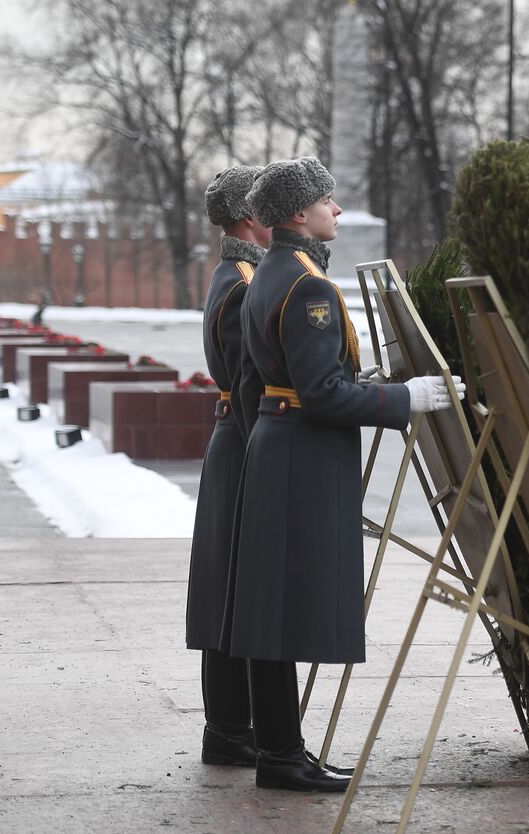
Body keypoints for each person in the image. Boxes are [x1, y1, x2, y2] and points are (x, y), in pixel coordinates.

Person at [220, 156, 462, 791]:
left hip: (280, 446)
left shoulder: (271, 272)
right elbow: (322, 394)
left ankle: (280, 751)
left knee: (271, 610)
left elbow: (261, 384)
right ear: (299, 214)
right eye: (328, 200)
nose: (338, 210)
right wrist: (404, 399)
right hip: (303, 453)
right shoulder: (309, 287)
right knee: (285, 609)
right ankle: (279, 756)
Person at [185, 165, 268, 767]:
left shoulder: (240, 274)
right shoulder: (244, 282)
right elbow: (248, 388)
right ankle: (232, 730)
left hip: (234, 444)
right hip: (244, 447)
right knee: (237, 591)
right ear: (248, 216)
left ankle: (232, 727)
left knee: (230, 589)